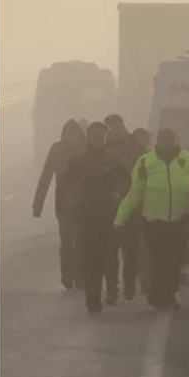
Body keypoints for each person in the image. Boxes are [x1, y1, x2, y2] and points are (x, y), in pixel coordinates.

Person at [114, 128, 189, 310]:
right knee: (158, 259)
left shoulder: (187, 159)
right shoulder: (145, 162)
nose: (167, 142)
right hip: (153, 222)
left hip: (180, 219)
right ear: (157, 140)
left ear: (176, 140)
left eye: (170, 138)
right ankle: (158, 294)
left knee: (174, 259)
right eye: (163, 138)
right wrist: (120, 219)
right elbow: (134, 193)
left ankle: (169, 294)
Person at [63, 122, 126, 313]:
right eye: (94, 136)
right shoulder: (78, 160)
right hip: (85, 218)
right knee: (89, 259)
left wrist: (118, 192)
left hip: (108, 216)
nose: (98, 140)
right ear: (88, 137)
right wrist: (68, 208)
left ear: (106, 138)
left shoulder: (113, 158)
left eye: (102, 137)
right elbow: (65, 186)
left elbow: (126, 180)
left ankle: (110, 289)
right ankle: (93, 297)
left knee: (108, 255)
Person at [33, 120, 86, 290]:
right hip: (63, 205)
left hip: (85, 205)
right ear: (63, 135)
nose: (71, 137)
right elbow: (46, 176)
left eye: (74, 133)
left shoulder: (86, 148)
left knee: (81, 241)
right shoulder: (56, 149)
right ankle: (67, 275)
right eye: (68, 134)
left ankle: (80, 275)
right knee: (66, 242)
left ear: (80, 135)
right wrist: (38, 203)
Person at [103, 115, 143, 302]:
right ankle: (112, 288)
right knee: (110, 252)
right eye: (110, 127)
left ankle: (129, 282)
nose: (113, 129)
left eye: (115, 126)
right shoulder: (102, 148)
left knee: (131, 251)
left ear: (122, 125)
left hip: (132, 207)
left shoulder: (136, 147)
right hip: (109, 209)